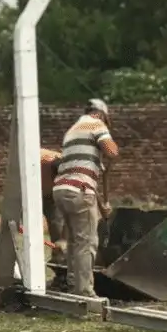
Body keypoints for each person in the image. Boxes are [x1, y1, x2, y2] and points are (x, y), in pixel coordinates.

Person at [51, 99, 118, 295]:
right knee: (87, 242)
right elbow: (112, 151)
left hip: (62, 191)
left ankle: (73, 284)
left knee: (74, 242)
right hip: (79, 191)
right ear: (103, 114)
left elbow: (90, 171)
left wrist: (102, 203)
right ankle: (85, 292)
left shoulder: (73, 130)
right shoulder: (96, 124)